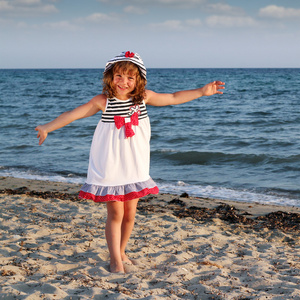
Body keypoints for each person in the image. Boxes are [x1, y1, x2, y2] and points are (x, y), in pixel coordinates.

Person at [35, 51, 225, 273]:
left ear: (139, 80)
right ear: (110, 77)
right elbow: (73, 114)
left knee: (130, 214)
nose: (124, 82)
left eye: (130, 78)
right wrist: (47, 127)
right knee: (115, 214)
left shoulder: (143, 98)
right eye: (119, 76)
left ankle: (122, 250)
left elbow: (173, 97)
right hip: (111, 164)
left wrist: (202, 91)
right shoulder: (102, 101)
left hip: (134, 166)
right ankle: (115, 259)